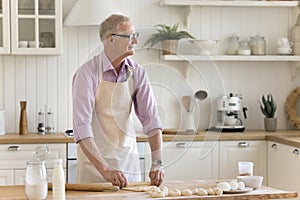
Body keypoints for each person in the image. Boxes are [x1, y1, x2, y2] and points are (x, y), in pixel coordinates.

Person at [72, 14, 164, 188]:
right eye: (130, 36)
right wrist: (105, 169)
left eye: (136, 36)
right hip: (95, 170)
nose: (135, 41)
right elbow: (81, 126)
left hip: (128, 165)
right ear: (110, 39)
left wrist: (157, 163)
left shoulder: (137, 72)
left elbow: (151, 120)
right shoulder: (87, 73)